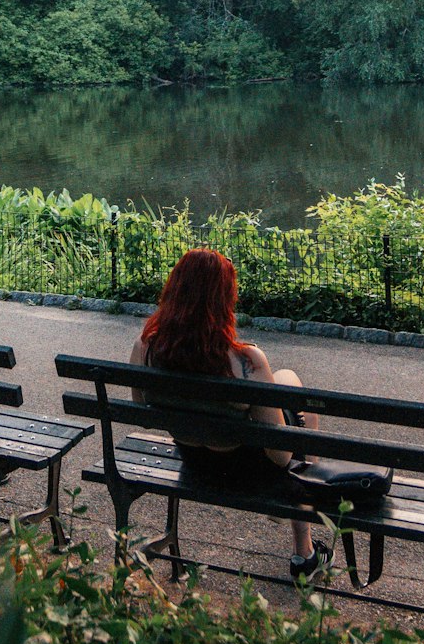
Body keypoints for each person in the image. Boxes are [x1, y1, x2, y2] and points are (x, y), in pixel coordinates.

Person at [129, 247, 332, 582]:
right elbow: (281, 457)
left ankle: (304, 548)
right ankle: (304, 553)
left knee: (284, 386)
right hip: (247, 473)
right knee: (290, 383)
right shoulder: (246, 361)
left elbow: (143, 413)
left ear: (174, 291)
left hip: (194, 462)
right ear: (223, 300)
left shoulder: (146, 347)